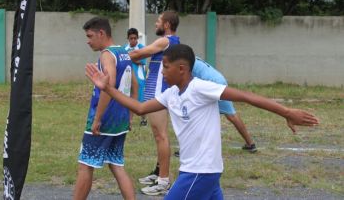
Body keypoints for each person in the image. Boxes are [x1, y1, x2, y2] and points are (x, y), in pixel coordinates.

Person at [85, 43, 319, 200]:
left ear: (182, 68)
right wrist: (108, 88)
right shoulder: (171, 94)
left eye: (165, 67)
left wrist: (286, 112)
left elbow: (247, 97)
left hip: (199, 172)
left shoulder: (201, 88)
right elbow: (139, 107)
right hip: (206, 173)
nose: (162, 72)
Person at [73, 17, 137, 200]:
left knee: (85, 165)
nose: (88, 40)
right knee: (116, 165)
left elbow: (107, 87)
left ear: (102, 33)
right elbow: (135, 86)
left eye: (90, 36)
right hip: (120, 121)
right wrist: (129, 115)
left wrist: (97, 118)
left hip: (105, 122)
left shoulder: (107, 55)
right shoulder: (124, 52)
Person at [128, 10, 180, 195]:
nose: (156, 24)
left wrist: (122, 55)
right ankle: (159, 172)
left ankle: (164, 181)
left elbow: (140, 53)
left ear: (166, 25)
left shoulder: (166, 40)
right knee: (158, 135)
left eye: (158, 21)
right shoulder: (167, 42)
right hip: (155, 93)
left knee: (161, 136)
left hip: (160, 94)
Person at [192, 57, 256, 152]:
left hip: (211, 83)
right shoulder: (191, 56)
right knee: (231, 115)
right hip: (218, 80)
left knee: (195, 114)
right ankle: (250, 144)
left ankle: (191, 148)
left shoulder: (182, 60)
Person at [124, 28, 148, 126]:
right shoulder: (124, 48)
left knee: (140, 101)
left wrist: (130, 58)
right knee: (127, 100)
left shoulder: (142, 48)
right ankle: (128, 121)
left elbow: (142, 61)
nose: (133, 40)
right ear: (128, 39)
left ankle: (144, 120)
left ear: (137, 38)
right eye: (131, 38)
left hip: (139, 78)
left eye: (135, 38)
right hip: (127, 78)